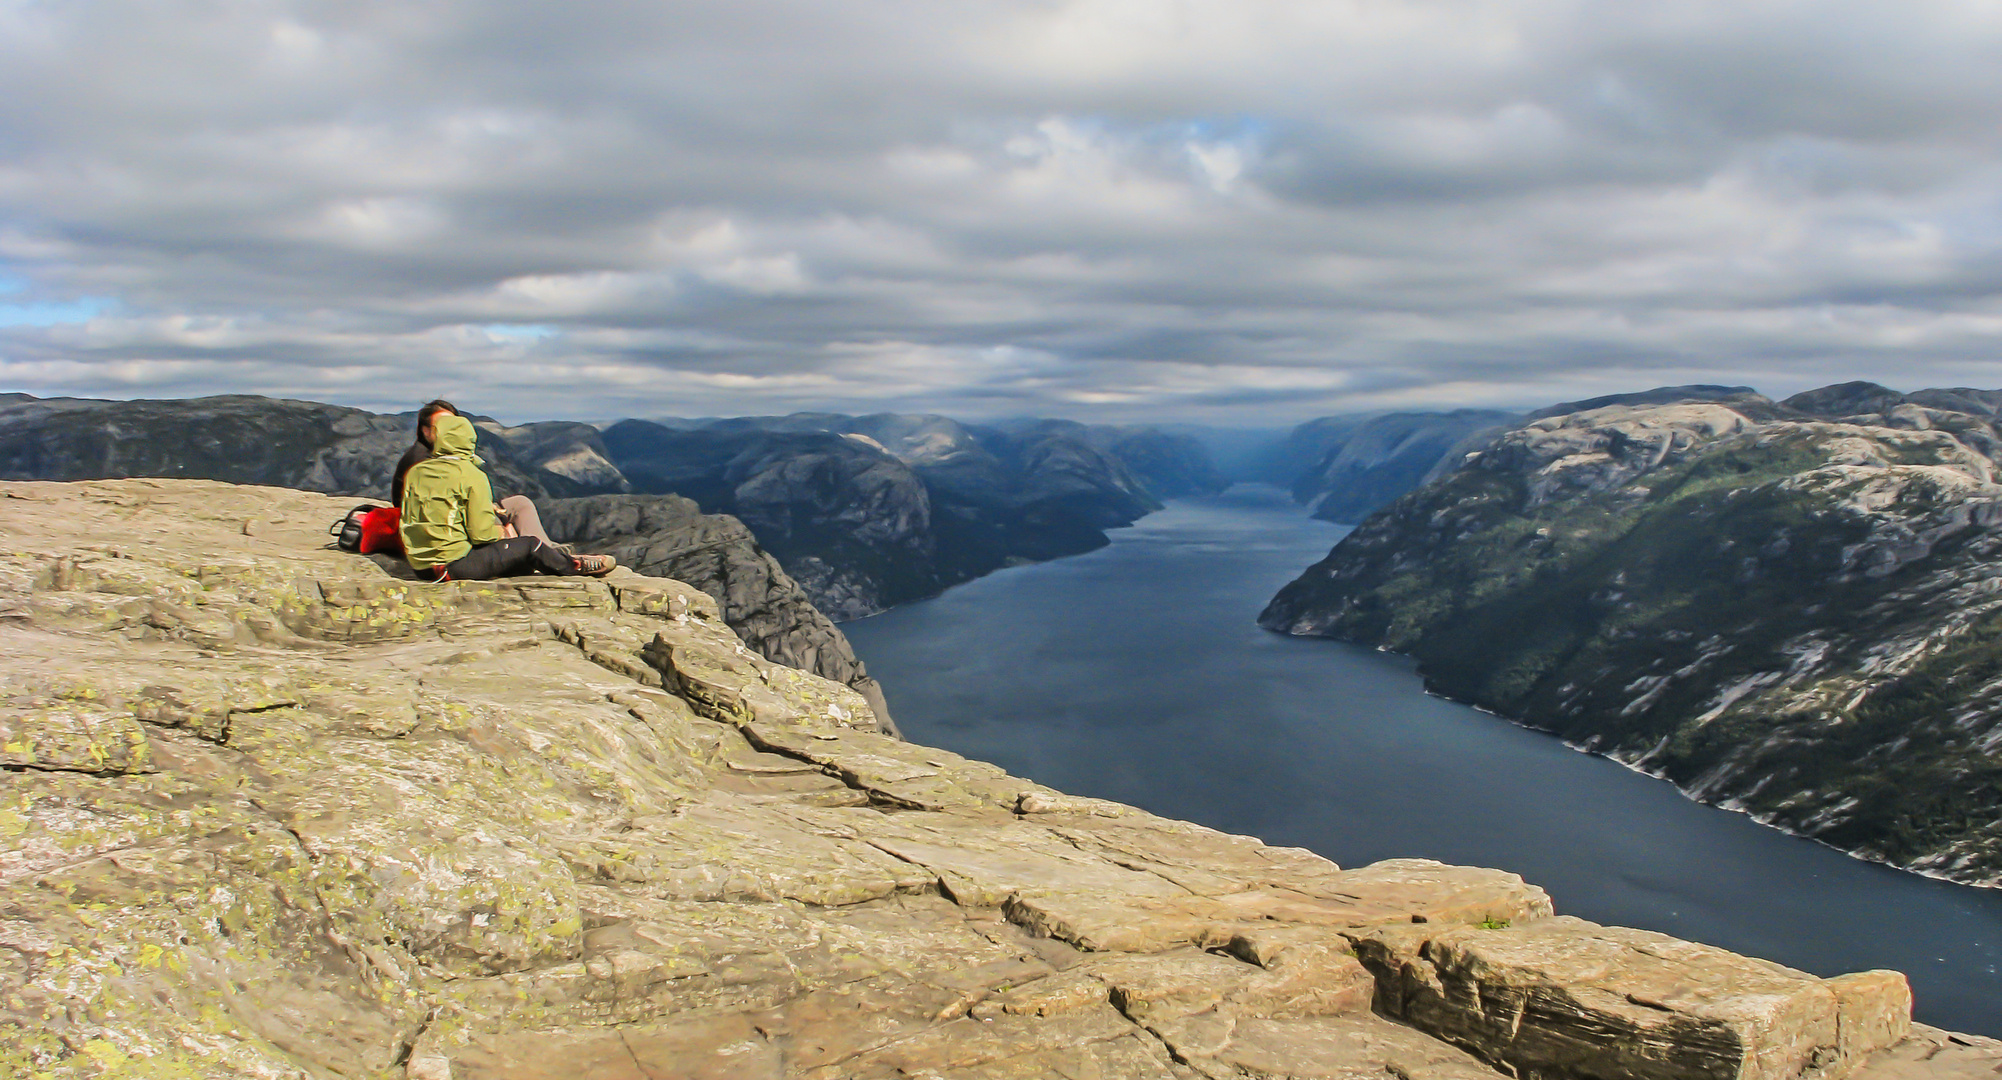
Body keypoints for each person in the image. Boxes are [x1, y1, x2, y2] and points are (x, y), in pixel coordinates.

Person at [399, 413, 615, 581]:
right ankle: (575, 567)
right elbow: (481, 536)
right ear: (468, 440)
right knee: (530, 545)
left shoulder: (417, 471)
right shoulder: (471, 475)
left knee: (520, 558)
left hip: (421, 567)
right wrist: (503, 532)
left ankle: (549, 560)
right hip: (452, 567)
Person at [392, 399, 560, 547]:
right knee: (508, 517)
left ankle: (546, 549)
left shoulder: (443, 454)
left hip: (461, 516)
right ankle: (541, 553)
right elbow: (444, 509)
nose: (450, 429)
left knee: (520, 504)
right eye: (442, 425)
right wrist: (499, 523)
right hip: (446, 529)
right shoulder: (422, 462)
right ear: (426, 431)